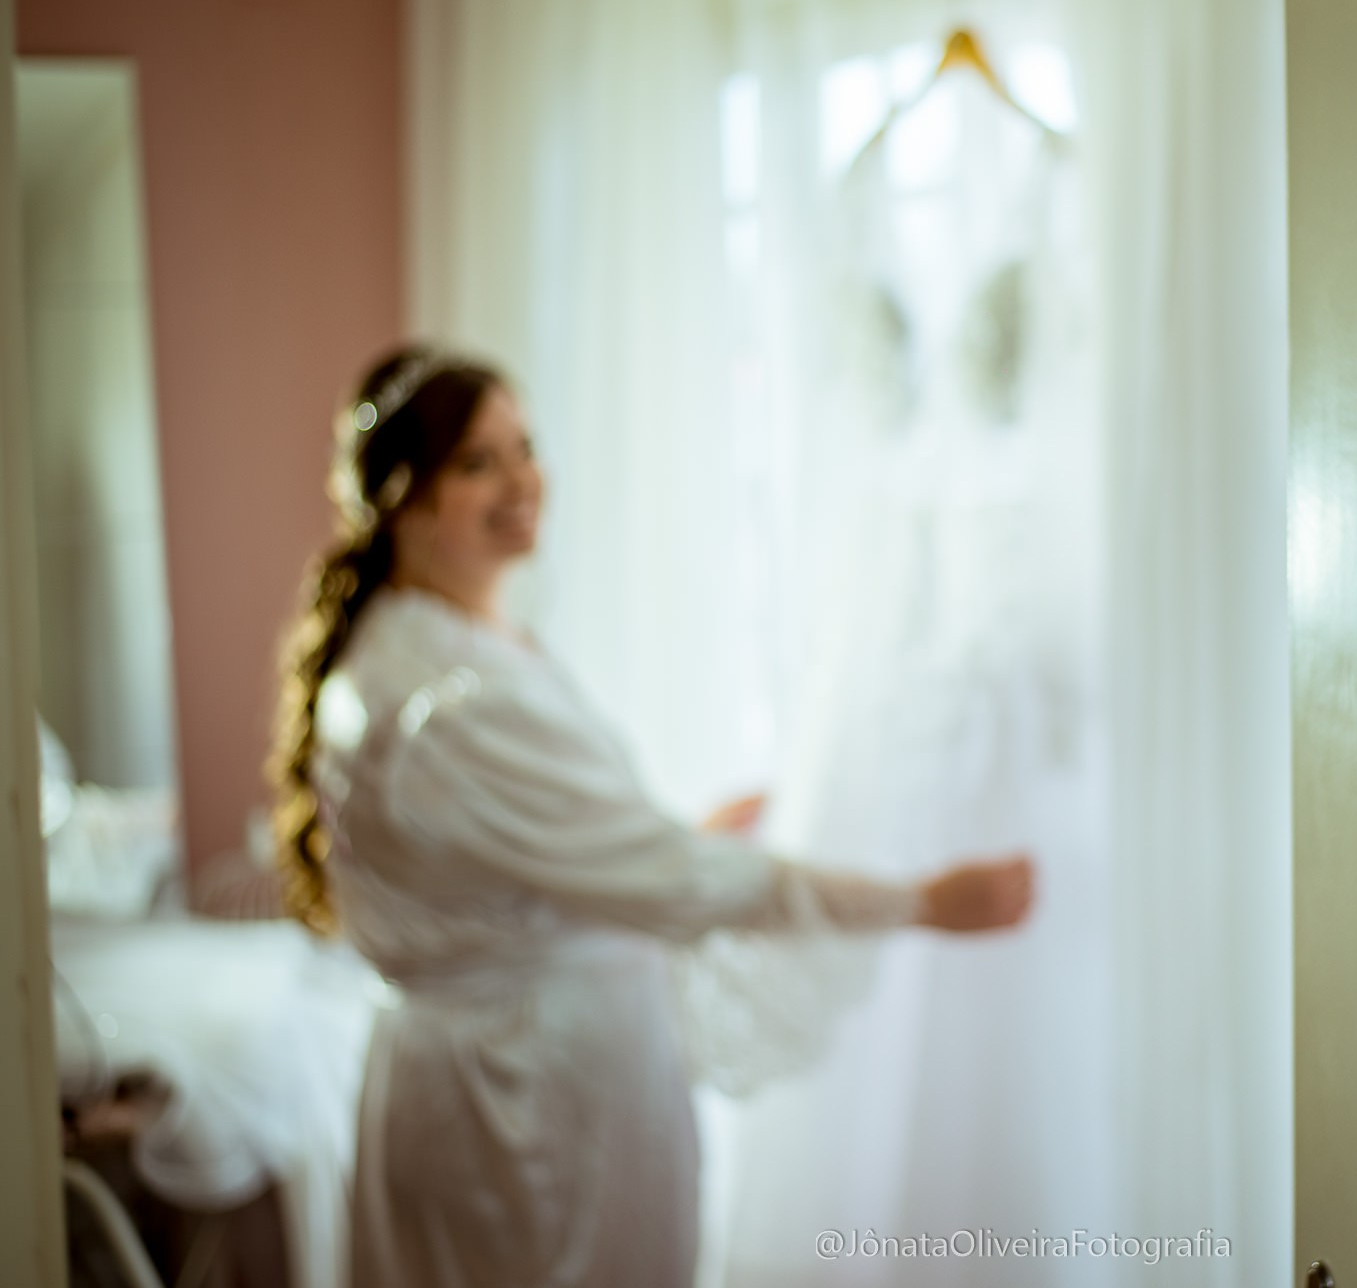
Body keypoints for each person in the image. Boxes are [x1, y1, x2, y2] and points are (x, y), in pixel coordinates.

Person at [268, 346, 1034, 1288]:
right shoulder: (454, 698)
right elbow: (678, 885)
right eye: (479, 461)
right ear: (405, 499)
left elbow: (506, 865)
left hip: (488, 1083)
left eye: (526, 446)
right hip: (524, 1107)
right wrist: (918, 901)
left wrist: (676, 837)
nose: (523, 480)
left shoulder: (437, 645)